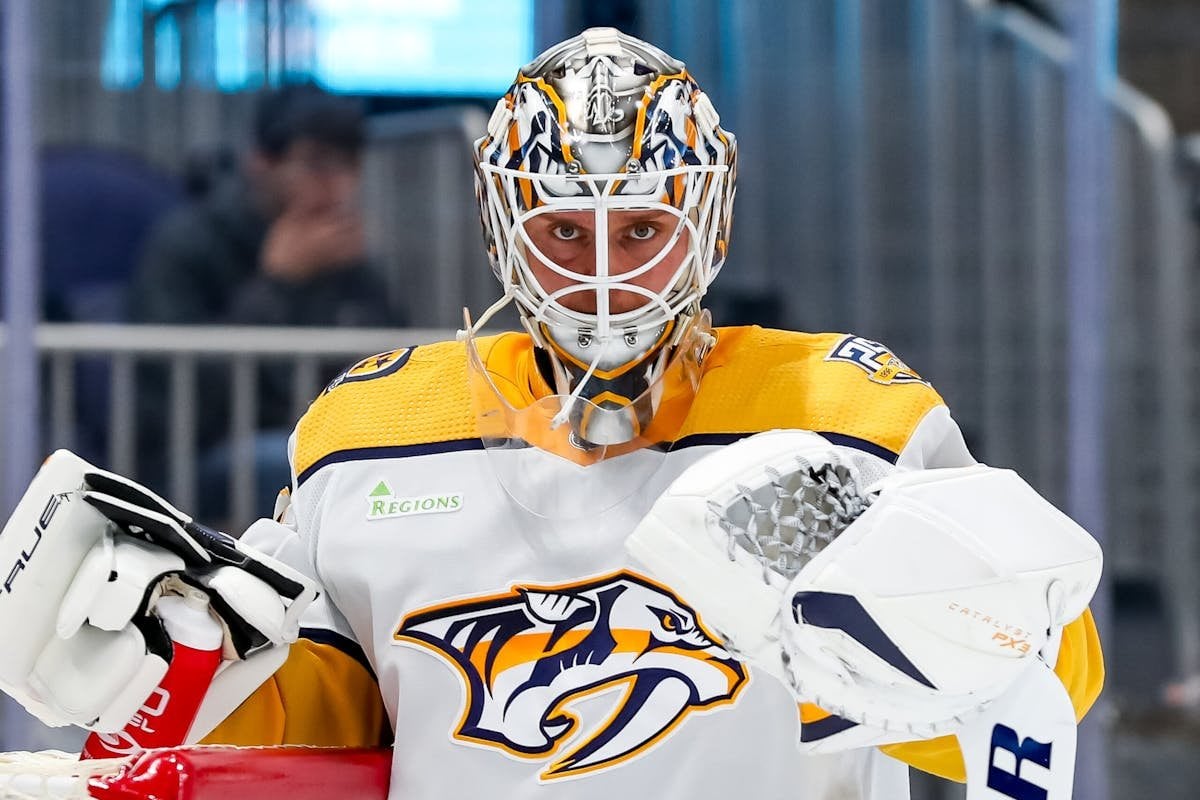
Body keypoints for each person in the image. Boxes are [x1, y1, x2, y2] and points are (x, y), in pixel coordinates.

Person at [0, 29, 1102, 799]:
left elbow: (1055, 684)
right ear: (505, 230)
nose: (604, 274)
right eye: (566, 231)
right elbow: (332, 722)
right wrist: (186, 666)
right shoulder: (364, 430)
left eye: (642, 230)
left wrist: (927, 624)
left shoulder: (849, 412)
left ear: (707, 224)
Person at [129, 83, 397, 516]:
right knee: (298, 465)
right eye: (317, 163)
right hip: (196, 455)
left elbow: (387, 361)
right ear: (261, 162)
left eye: (348, 165)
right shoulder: (188, 243)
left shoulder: (345, 257)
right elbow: (179, 393)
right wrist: (278, 283)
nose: (336, 185)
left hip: (307, 436)